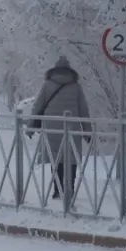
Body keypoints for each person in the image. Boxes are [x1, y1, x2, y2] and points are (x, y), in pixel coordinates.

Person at [27, 56, 91, 203]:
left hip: (52, 128)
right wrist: (87, 129)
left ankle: (58, 190)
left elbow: (37, 106)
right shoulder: (76, 87)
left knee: (56, 159)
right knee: (71, 158)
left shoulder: (47, 85)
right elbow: (83, 109)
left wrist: (31, 127)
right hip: (71, 127)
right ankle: (70, 189)